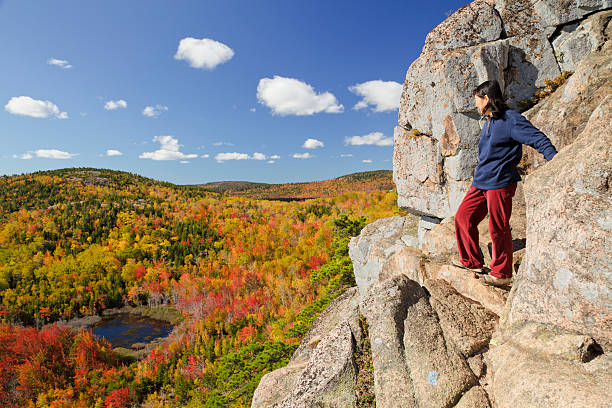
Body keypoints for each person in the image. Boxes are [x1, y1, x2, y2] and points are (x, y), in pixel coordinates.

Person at [452, 79, 558, 287]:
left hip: (501, 183)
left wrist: (556, 160)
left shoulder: (511, 120)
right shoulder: (489, 121)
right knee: (463, 218)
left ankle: (502, 274)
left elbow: (538, 138)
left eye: (477, 100)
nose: (475, 104)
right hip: (481, 182)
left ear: (487, 99)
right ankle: (472, 262)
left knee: (498, 228)